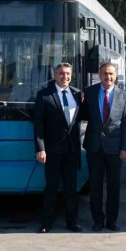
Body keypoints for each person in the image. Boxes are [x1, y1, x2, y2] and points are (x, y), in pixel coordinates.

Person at [79, 63, 126, 232]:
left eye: (111, 74)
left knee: (114, 186)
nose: (108, 77)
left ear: (115, 76)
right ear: (99, 75)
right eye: (104, 74)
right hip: (94, 148)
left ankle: (112, 220)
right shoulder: (89, 93)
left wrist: (125, 147)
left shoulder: (124, 96)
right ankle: (98, 220)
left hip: (115, 149)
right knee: (95, 186)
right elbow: (83, 115)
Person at [34, 63, 82, 233]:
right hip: (52, 151)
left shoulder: (77, 94)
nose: (65, 77)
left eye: (68, 74)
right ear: (55, 75)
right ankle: (46, 222)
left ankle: (72, 222)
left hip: (72, 151)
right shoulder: (44, 95)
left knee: (71, 188)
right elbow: (38, 124)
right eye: (61, 74)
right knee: (51, 188)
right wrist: (40, 148)